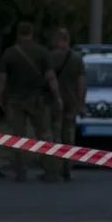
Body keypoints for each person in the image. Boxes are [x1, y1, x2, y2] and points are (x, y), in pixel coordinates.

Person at [0, 22, 63, 182]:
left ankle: (20, 171)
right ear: (32, 33)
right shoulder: (42, 52)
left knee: (18, 136)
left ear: (18, 34)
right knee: (44, 134)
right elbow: (50, 77)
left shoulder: (10, 53)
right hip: (37, 100)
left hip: (15, 100)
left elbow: (2, 80)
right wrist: (57, 97)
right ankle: (50, 171)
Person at [48, 28, 86, 182]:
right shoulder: (77, 58)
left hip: (54, 101)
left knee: (55, 134)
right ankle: (67, 169)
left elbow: (49, 78)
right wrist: (81, 102)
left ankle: (54, 169)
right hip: (71, 101)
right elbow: (81, 82)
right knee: (69, 135)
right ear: (67, 40)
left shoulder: (50, 57)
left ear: (56, 40)